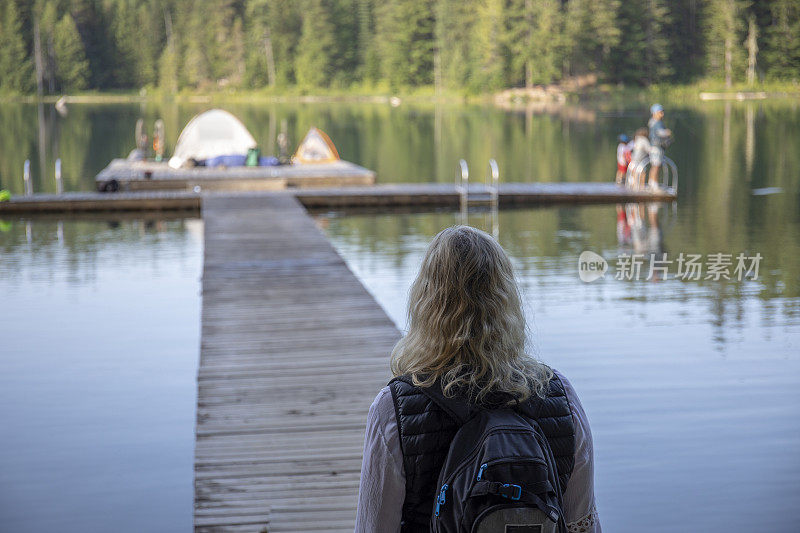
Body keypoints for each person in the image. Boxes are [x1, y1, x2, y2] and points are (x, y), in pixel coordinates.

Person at [355, 225, 600, 533]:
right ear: (507, 299)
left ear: (428, 301)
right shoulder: (560, 397)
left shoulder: (394, 411)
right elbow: (582, 524)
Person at [647, 104, 672, 190]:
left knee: (655, 165)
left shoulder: (653, 122)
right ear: (654, 113)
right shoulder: (656, 123)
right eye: (660, 113)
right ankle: (654, 183)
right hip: (656, 148)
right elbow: (660, 133)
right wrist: (667, 132)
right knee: (656, 165)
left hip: (655, 147)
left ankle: (652, 182)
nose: (662, 114)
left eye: (662, 112)